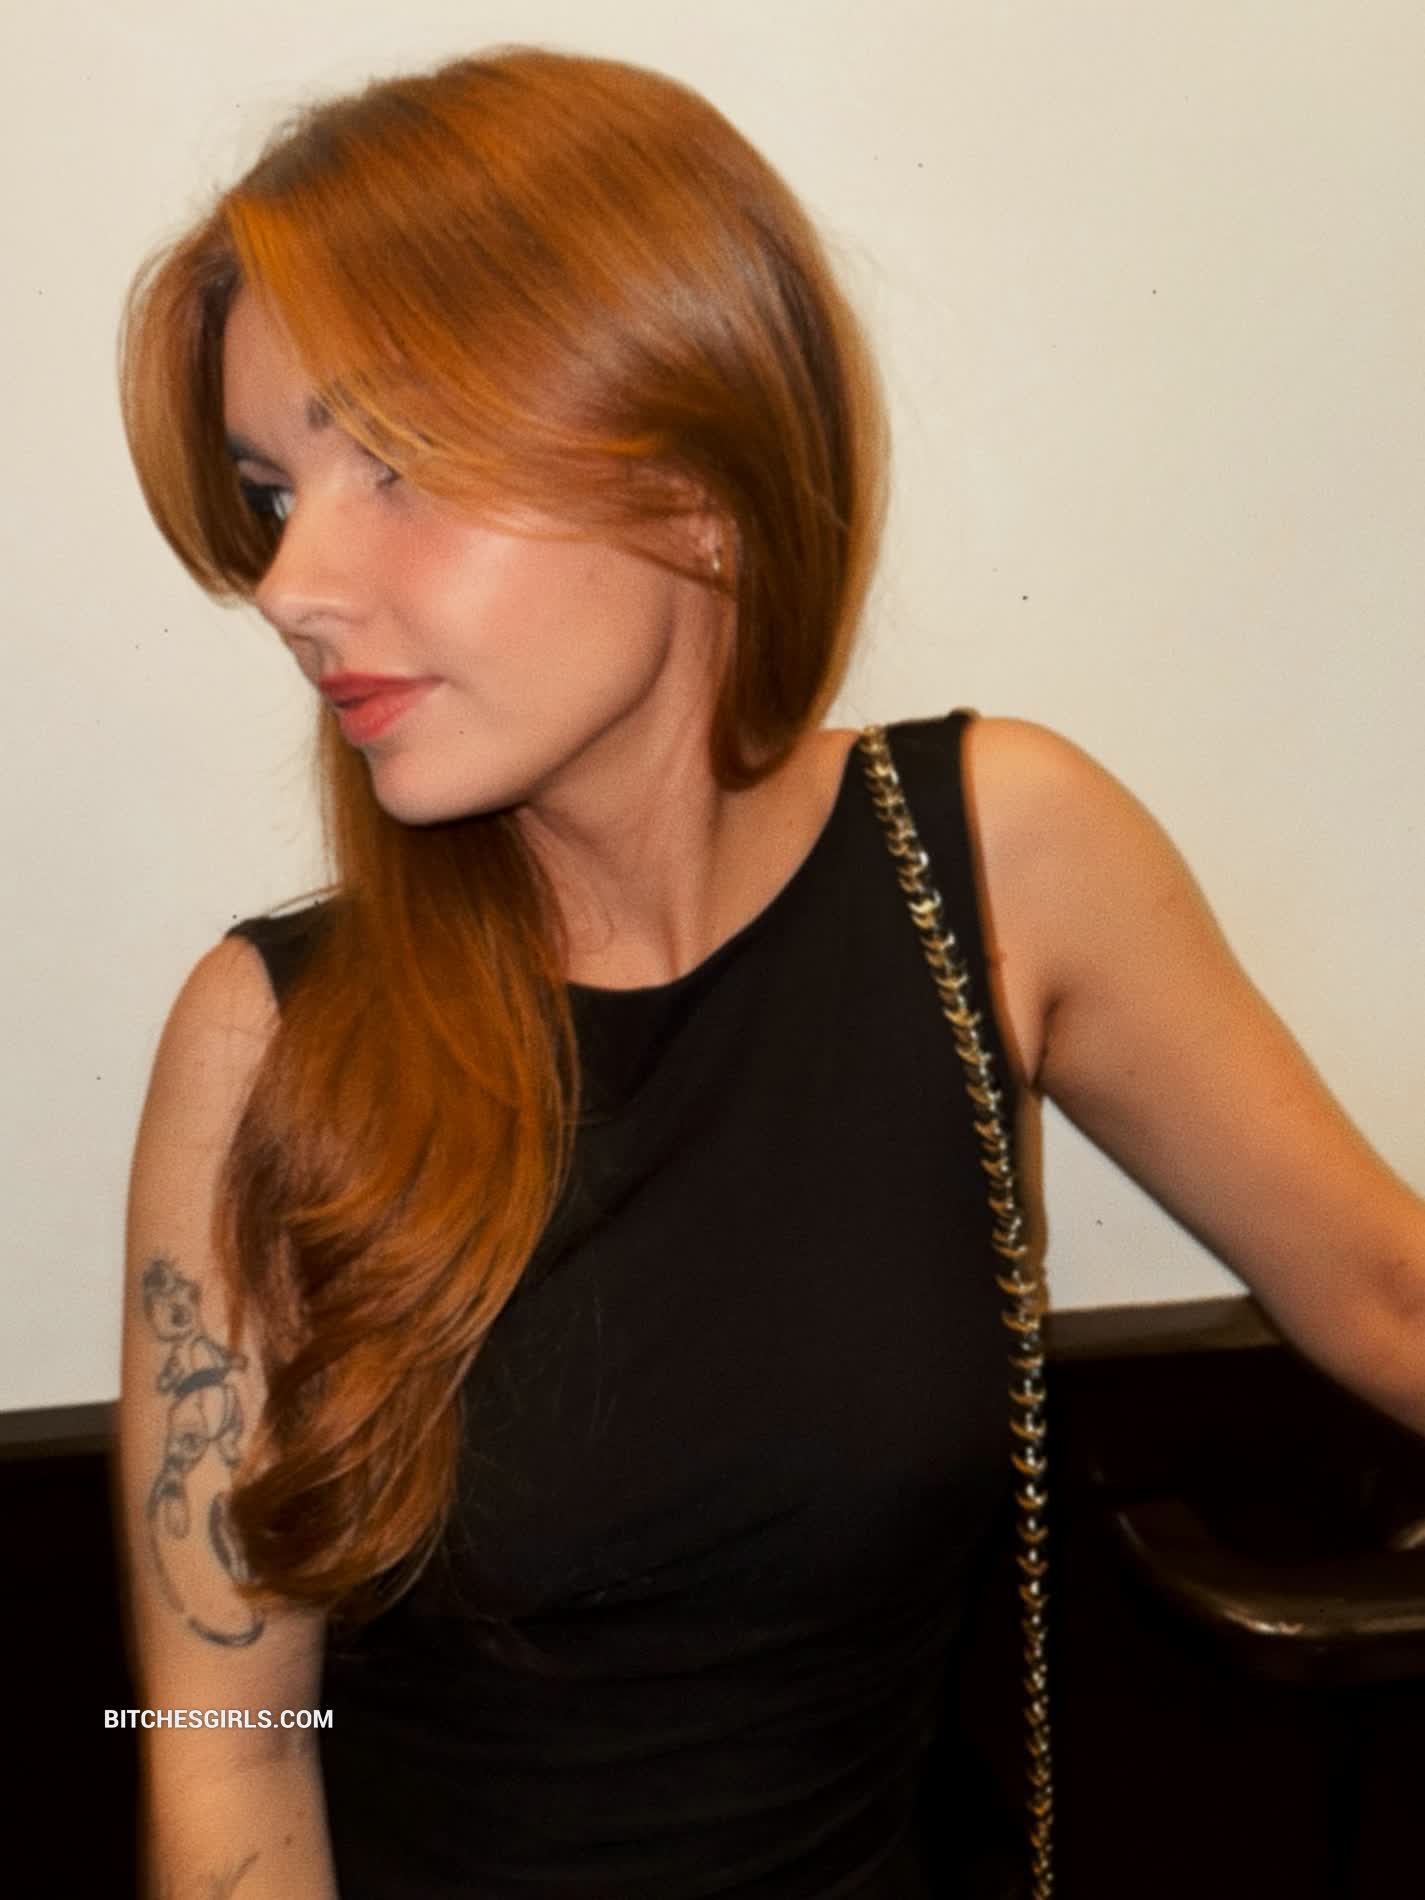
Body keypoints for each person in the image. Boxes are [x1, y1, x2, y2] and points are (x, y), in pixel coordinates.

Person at [115, 44, 1425, 1900]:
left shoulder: (998, 860)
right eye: (273, 489)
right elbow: (222, 1747)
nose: (291, 584)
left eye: (396, 461)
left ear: (695, 476)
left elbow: (1385, 1291)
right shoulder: (269, 1039)